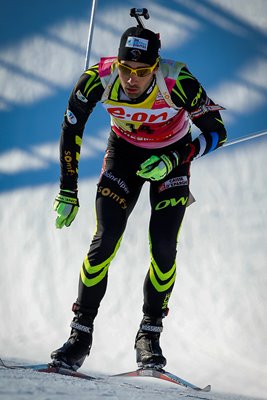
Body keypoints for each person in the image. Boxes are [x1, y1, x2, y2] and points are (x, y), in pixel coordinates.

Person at [51, 23, 227, 371]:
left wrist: (174, 158)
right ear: (115, 64)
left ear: (156, 67)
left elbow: (217, 132)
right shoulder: (95, 79)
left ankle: (149, 333)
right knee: (104, 242)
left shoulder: (178, 81)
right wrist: (68, 190)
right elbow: (71, 128)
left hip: (172, 158)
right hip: (124, 156)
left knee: (163, 247)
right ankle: (79, 336)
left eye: (142, 72)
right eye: (125, 69)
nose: (132, 80)